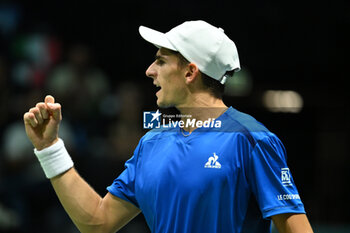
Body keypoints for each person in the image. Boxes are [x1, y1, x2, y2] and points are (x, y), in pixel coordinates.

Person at [23, 20, 313, 233]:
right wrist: (49, 148)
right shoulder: (152, 142)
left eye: (161, 60)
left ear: (190, 72)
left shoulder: (252, 139)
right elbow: (98, 222)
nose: (150, 71)